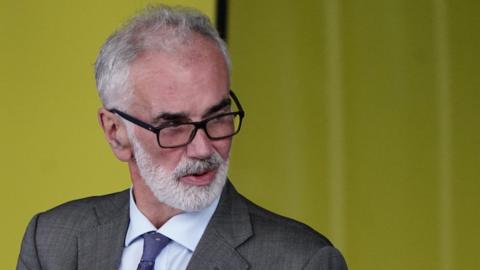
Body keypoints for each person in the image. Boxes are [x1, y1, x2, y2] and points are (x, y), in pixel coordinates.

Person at [17, 5, 347, 270]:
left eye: (217, 118)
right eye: (173, 126)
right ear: (116, 133)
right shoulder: (51, 241)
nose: (204, 148)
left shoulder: (302, 261)